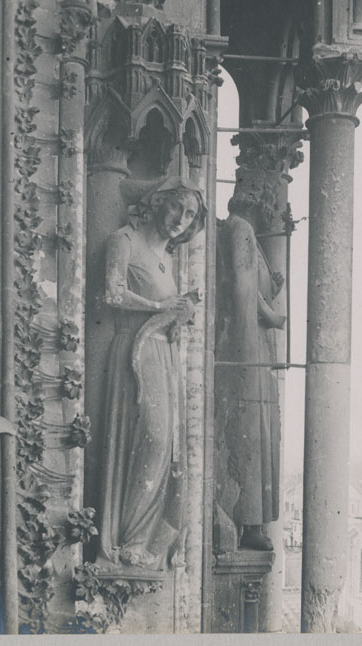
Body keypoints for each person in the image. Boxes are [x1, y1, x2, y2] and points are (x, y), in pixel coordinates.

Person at [96, 176, 206, 571]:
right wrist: (161, 308)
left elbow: (163, 307)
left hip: (165, 353)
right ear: (158, 202)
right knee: (153, 438)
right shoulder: (123, 241)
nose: (180, 219)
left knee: (170, 449)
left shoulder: (168, 259)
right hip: (135, 352)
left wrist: (177, 316)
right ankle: (128, 539)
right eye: (176, 207)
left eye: (190, 214)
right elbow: (111, 294)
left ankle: (146, 545)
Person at [215, 166, 285, 552]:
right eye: (272, 202)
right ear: (259, 199)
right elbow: (242, 291)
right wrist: (271, 315)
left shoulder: (247, 234)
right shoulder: (240, 229)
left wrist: (269, 293)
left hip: (253, 347)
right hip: (245, 349)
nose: (275, 210)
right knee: (250, 428)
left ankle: (252, 521)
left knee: (258, 429)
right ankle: (246, 520)